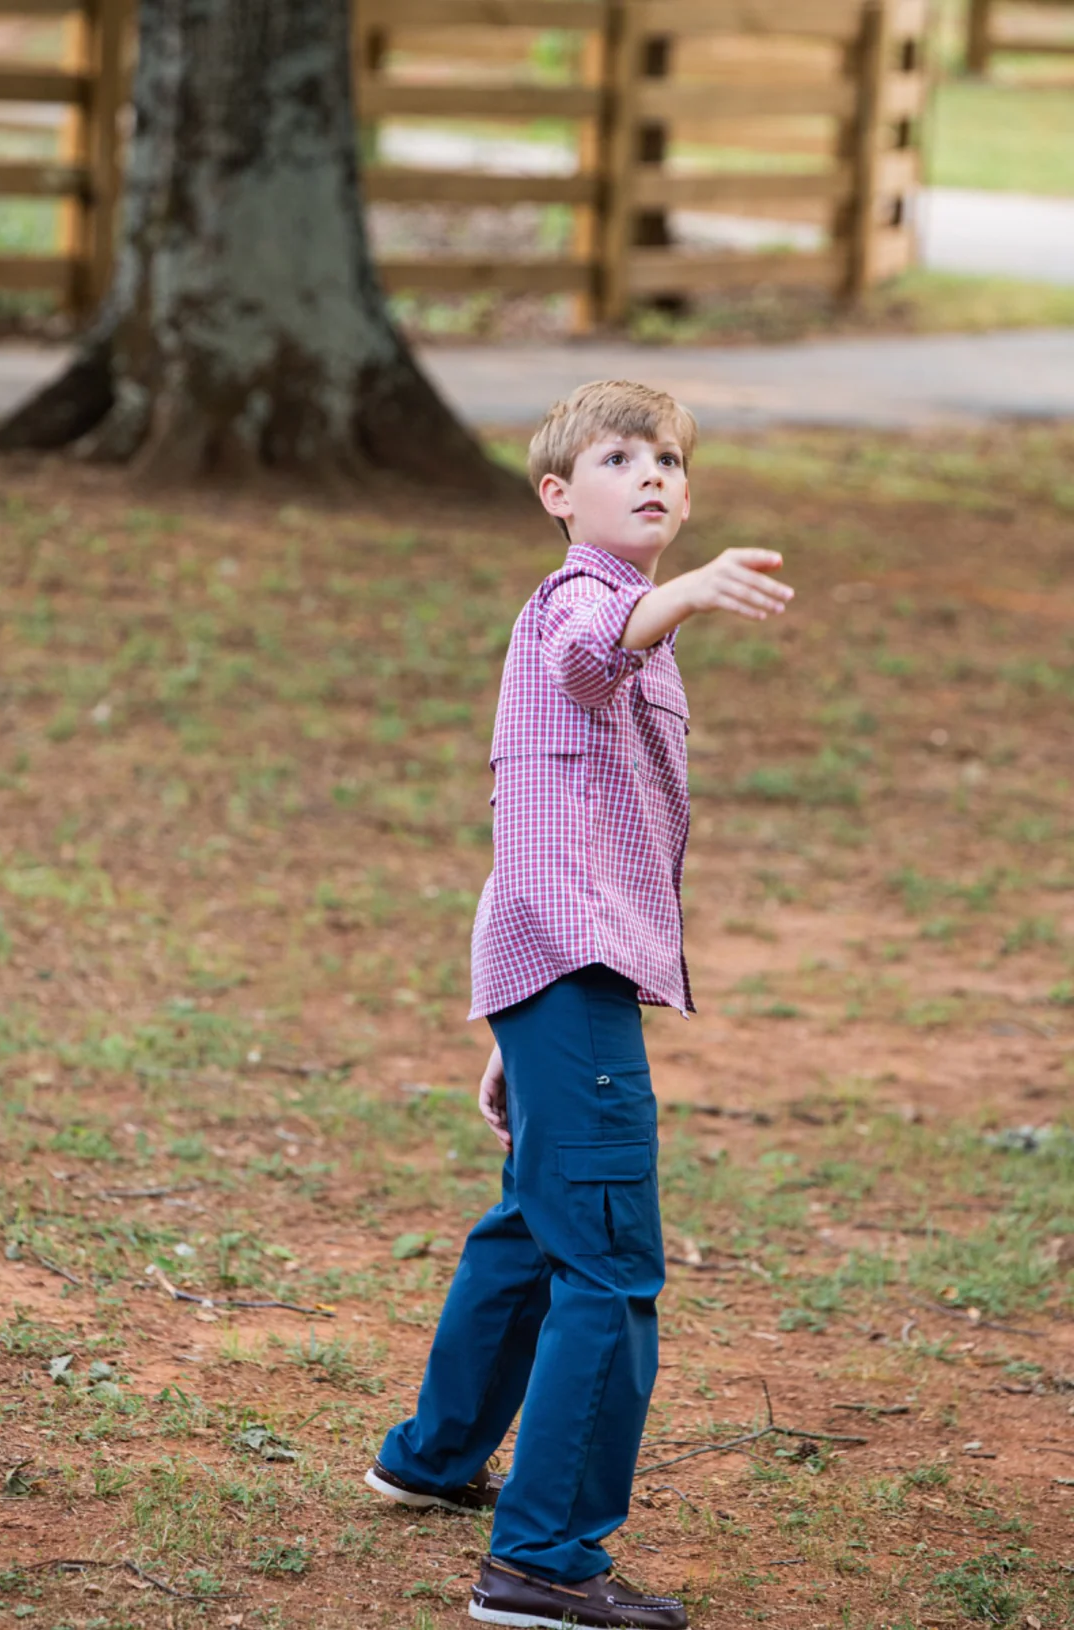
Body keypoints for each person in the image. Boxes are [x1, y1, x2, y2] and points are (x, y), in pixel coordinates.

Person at [365, 380, 795, 1629]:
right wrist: (687, 590)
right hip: (572, 973)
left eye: (668, 456)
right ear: (559, 495)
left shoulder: (618, 612)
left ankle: (433, 1456)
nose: (653, 472)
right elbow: (593, 655)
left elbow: (530, 820)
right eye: (619, 457)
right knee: (606, 1262)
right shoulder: (584, 603)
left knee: (530, 1223)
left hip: (551, 970)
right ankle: (546, 1559)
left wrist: (507, 1009)